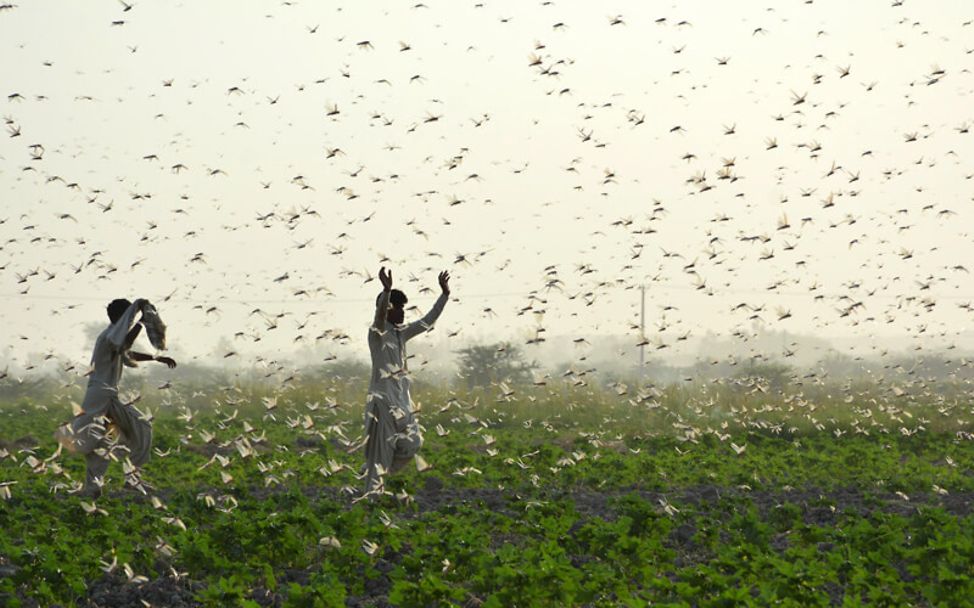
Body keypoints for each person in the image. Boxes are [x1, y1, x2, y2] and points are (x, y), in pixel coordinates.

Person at [55, 298, 176, 498]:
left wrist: (156, 358)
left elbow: (127, 352)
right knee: (116, 436)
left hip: (106, 395)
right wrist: (141, 324)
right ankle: (104, 486)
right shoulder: (109, 337)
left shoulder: (111, 337)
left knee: (109, 439)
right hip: (101, 396)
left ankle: (123, 481)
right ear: (123, 317)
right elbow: (124, 346)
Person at [362, 267, 450, 496]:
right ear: (386, 309)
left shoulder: (402, 334)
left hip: (402, 405)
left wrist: (444, 295)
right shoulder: (377, 333)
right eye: (396, 307)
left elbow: (427, 321)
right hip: (382, 406)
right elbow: (380, 317)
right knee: (379, 456)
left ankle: (374, 474)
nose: (401, 312)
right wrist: (386, 290)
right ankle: (372, 496)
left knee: (413, 443)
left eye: (402, 308)